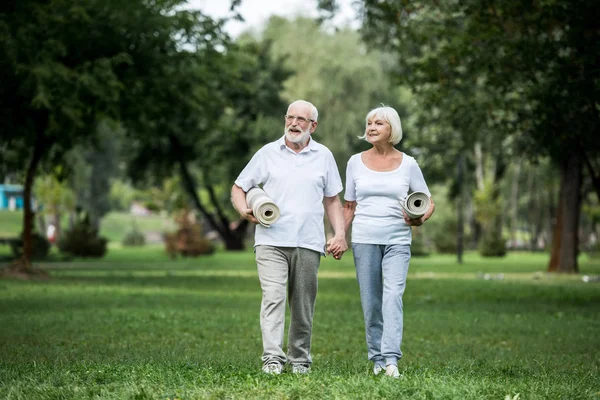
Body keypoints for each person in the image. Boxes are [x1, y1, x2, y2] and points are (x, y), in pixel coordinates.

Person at [231, 100, 348, 375]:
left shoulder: (324, 156)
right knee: (273, 297)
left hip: (309, 241)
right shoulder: (268, 153)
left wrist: (340, 233)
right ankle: (272, 358)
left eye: (301, 120)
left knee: (303, 304)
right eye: (290, 118)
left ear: (313, 126)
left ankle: (299, 360)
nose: (294, 124)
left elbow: (332, 200)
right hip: (271, 240)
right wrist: (245, 210)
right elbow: (239, 187)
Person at [343, 105, 435, 378]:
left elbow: (427, 201)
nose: (371, 127)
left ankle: (392, 360)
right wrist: (339, 236)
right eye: (369, 123)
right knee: (371, 302)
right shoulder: (354, 162)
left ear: (392, 129)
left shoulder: (408, 163)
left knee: (392, 296)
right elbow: (349, 205)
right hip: (364, 238)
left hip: (397, 239)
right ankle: (377, 359)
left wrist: (419, 219)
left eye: (378, 123)